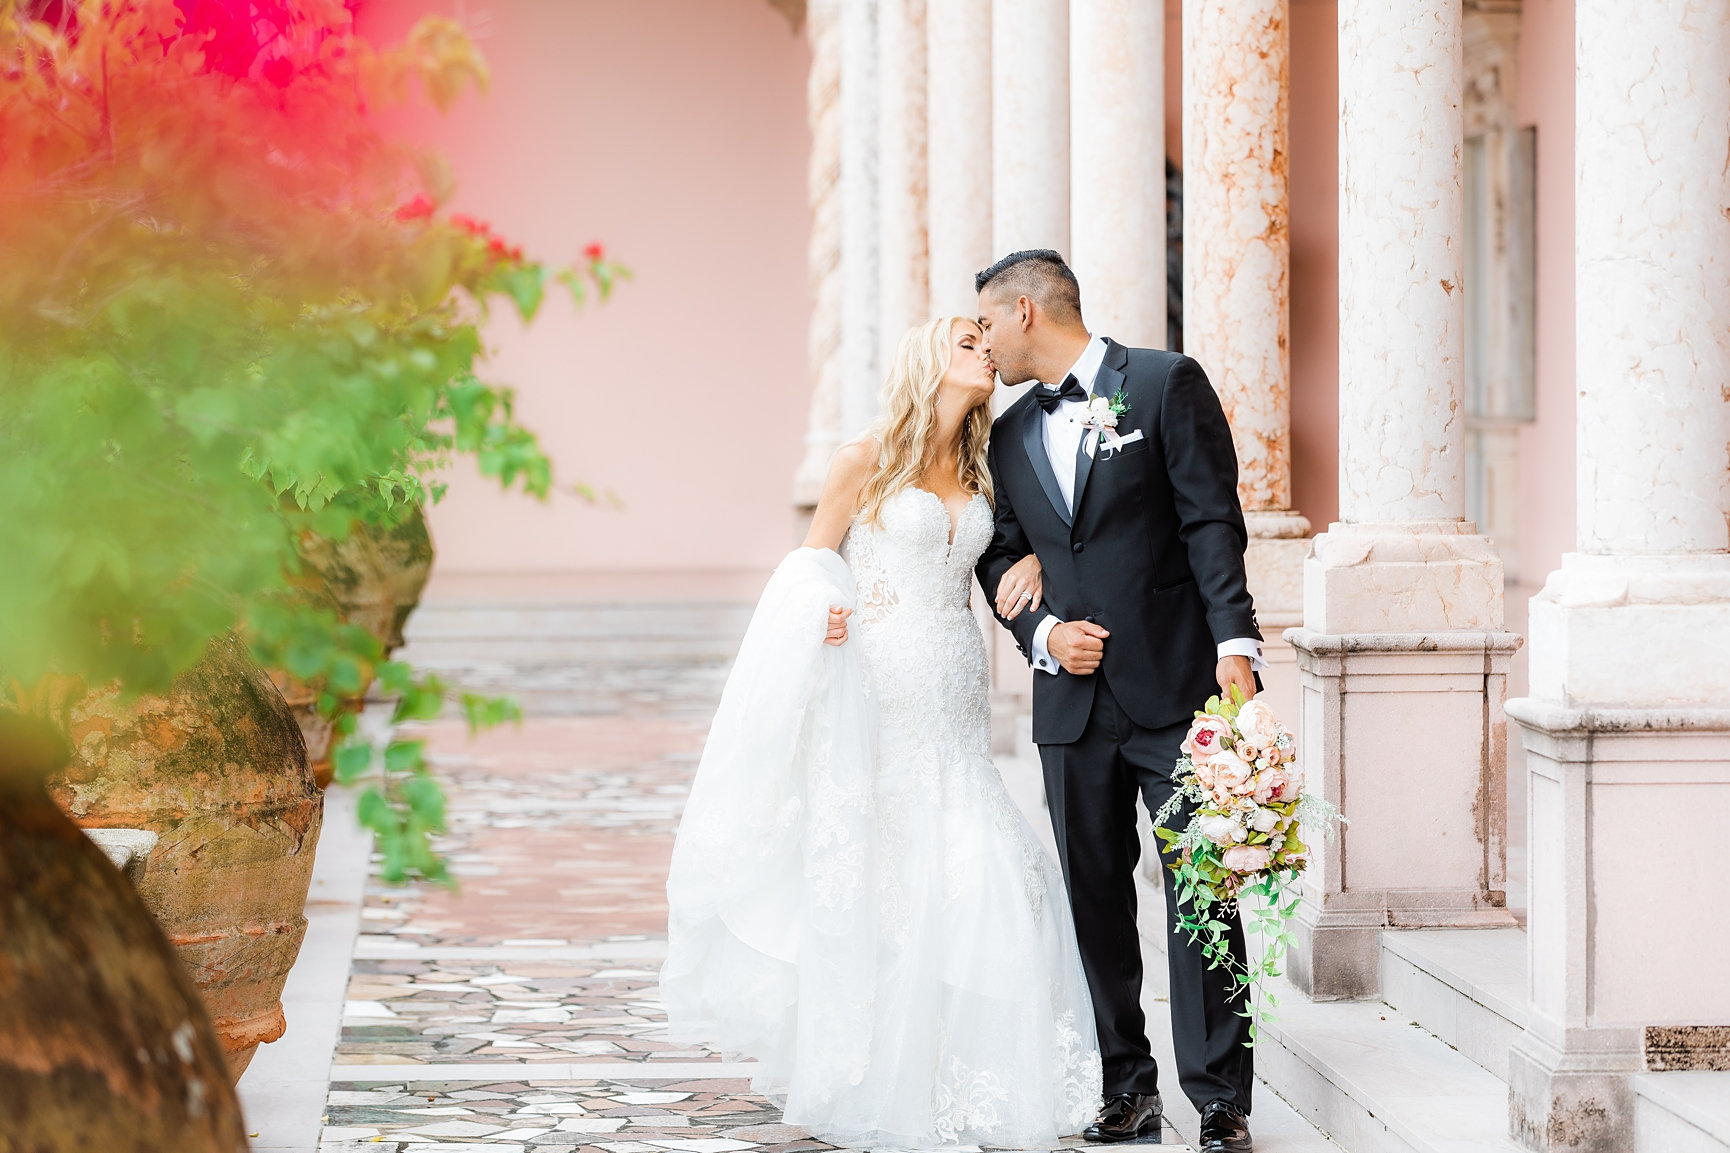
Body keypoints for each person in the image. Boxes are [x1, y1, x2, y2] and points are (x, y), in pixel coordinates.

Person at [662, 316, 1102, 1150]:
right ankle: (887, 1073)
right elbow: (808, 564)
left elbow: (1017, 541)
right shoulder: (863, 459)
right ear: (930, 361)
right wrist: (825, 610)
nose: (986, 352)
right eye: (968, 342)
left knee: (984, 859)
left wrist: (1037, 560)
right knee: (891, 870)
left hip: (955, 689)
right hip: (879, 683)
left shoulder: (983, 462)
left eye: (986, 340)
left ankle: (977, 1072)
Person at [975, 249, 1261, 1153]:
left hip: (1178, 686)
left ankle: (1220, 1097)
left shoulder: (1166, 383)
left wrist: (1237, 645)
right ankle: (1125, 1086)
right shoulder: (1008, 435)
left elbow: (1212, 518)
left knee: (1200, 892)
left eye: (987, 321)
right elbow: (998, 554)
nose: (983, 340)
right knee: (1093, 899)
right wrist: (1043, 634)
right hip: (1071, 708)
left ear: (1026, 311)